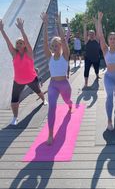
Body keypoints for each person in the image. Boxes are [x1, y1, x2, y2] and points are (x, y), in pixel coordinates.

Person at [0, 18, 47, 125]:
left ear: (25, 45)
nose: (19, 44)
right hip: (18, 81)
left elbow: (27, 41)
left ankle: (44, 100)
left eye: (21, 43)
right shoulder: (14, 54)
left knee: (38, 91)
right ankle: (15, 117)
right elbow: (8, 43)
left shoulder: (29, 53)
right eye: (17, 43)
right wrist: (2, 30)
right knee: (14, 101)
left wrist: (22, 29)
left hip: (31, 79)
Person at [41, 12, 73, 145]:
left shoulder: (65, 55)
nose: (54, 47)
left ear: (61, 46)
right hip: (53, 85)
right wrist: (45, 24)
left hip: (64, 84)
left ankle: (70, 105)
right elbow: (45, 41)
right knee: (52, 107)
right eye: (53, 46)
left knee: (67, 101)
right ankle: (50, 134)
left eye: (57, 45)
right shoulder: (49, 56)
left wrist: (59, 24)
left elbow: (64, 41)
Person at [97, 9, 115, 131]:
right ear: (109, 41)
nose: (113, 40)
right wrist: (99, 21)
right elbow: (100, 35)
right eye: (111, 38)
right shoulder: (105, 49)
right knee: (109, 96)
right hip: (109, 76)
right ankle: (109, 120)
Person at [83, 16, 100, 88]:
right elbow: (84, 32)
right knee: (86, 70)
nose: (91, 35)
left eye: (92, 34)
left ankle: (97, 75)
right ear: (88, 35)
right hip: (88, 58)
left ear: (94, 34)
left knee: (96, 69)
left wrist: (96, 22)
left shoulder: (97, 40)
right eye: (89, 34)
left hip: (96, 58)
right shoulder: (87, 41)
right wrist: (85, 24)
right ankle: (86, 83)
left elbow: (98, 31)